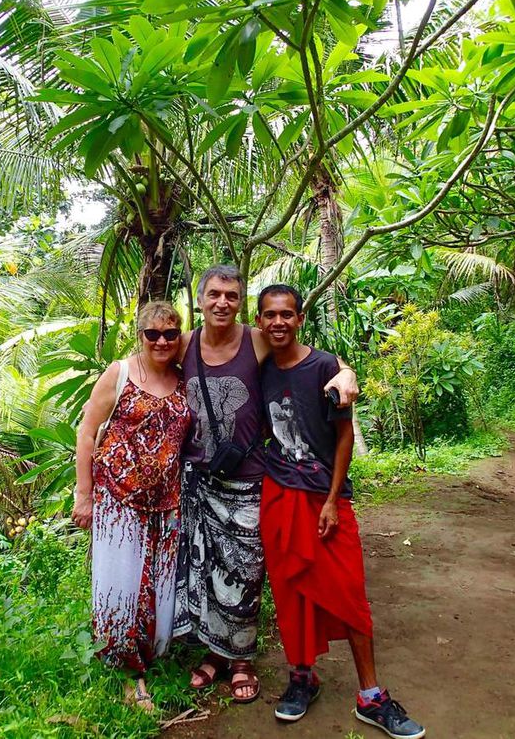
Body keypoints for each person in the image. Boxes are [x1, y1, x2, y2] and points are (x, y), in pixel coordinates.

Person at [173, 265, 359, 703]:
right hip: (199, 478)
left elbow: (301, 349)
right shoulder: (183, 344)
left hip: (250, 478)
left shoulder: (256, 340)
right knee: (204, 569)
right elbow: (144, 366)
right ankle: (214, 654)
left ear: (242, 306)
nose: (222, 302)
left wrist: (346, 371)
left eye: (232, 296)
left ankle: (240, 660)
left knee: (244, 572)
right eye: (214, 294)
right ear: (200, 300)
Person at [256, 284, 425, 738]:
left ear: (300, 318)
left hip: (324, 497)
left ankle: (371, 696)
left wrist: (332, 498)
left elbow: (344, 435)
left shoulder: (325, 366)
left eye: (286, 314)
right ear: (259, 321)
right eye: (269, 314)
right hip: (278, 493)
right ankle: (301, 676)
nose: (278, 322)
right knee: (291, 590)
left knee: (350, 593)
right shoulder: (260, 369)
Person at [72, 301, 192, 711]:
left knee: (156, 586)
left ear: (179, 337)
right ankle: (127, 670)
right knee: (121, 584)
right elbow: (87, 434)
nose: (161, 341)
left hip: (166, 502)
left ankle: (151, 654)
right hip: (118, 501)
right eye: (152, 334)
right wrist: (83, 495)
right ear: (139, 336)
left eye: (170, 334)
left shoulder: (183, 379)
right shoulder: (119, 374)